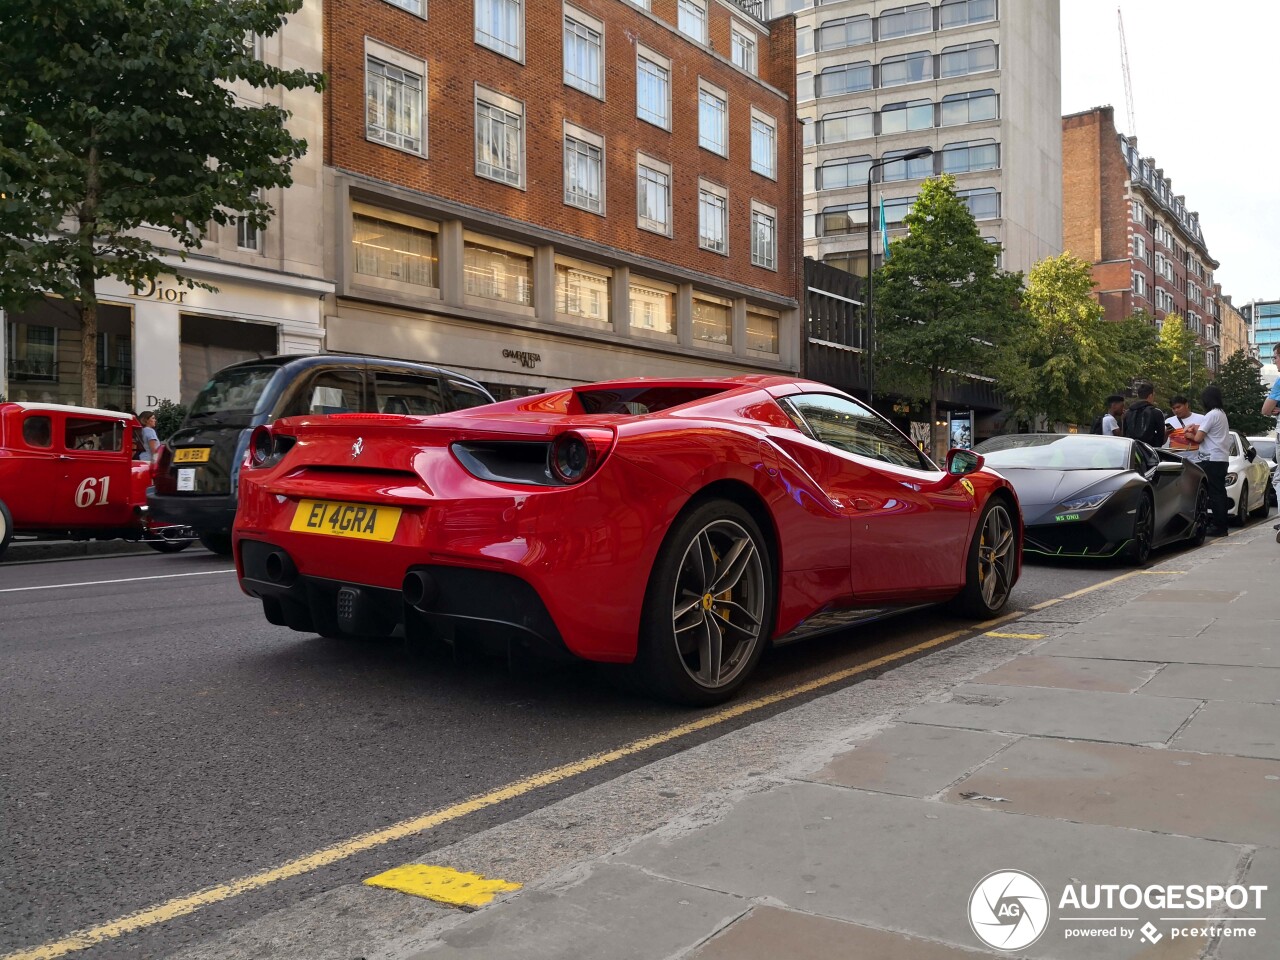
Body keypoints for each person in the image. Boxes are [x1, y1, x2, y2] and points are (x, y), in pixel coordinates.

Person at [1184, 386, 1231, 537]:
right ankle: (1221, 524)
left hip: (1211, 459)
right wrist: (1197, 428)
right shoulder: (1221, 414)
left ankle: (1219, 527)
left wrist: (1188, 435)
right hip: (1221, 458)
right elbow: (1208, 430)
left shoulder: (1211, 415)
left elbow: (1198, 438)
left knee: (1214, 494)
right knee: (1219, 492)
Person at [1122, 382, 1165, 447]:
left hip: (1132, 449)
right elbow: (1160, 437)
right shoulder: (1156, 412)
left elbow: (1124, 434)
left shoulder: (1128, 412)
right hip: (1149, 450)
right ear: (1151, 395)